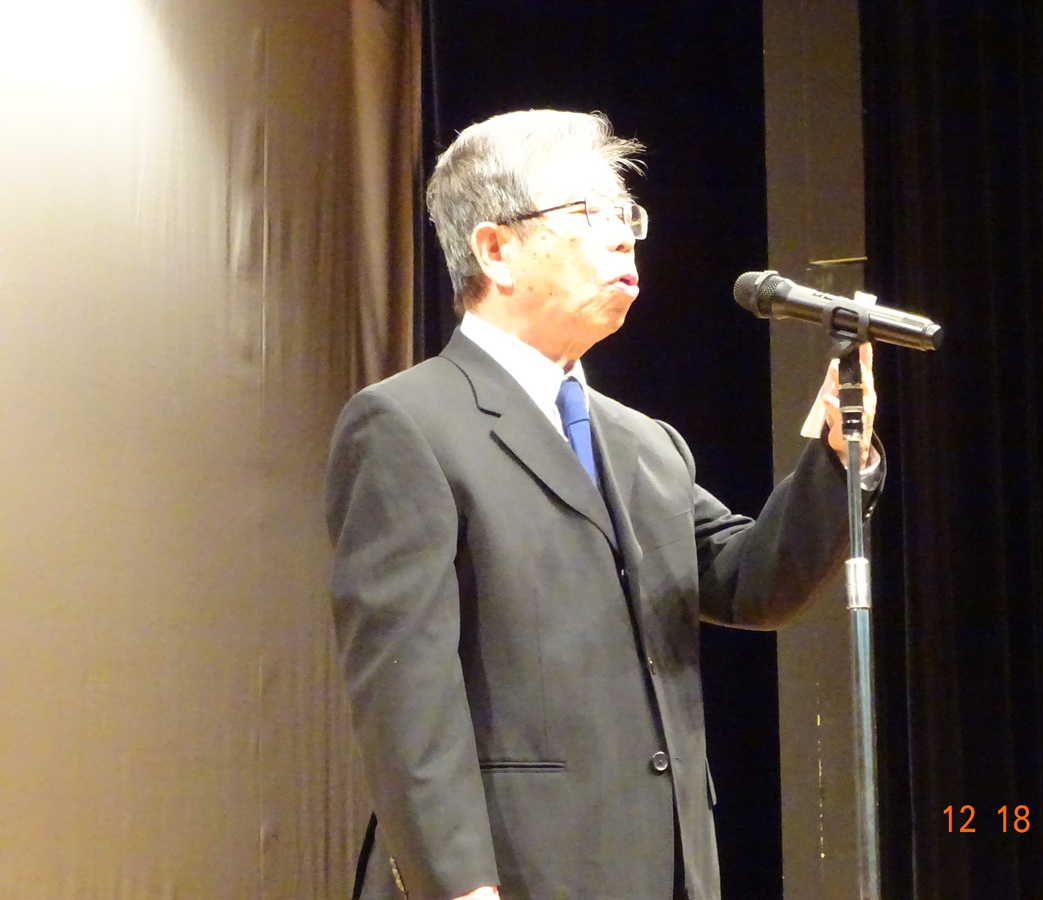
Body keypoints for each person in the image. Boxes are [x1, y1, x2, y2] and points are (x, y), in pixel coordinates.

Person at [325, 109, 880, 900]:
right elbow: (403, 690)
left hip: (663, 869)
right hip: (514, 872)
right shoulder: (406, 423)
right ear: (495, 250)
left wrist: (835, 458)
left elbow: (748, 581)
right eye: (589, 213)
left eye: (627, 215)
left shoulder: (641, 441)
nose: (623, 237)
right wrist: (460, 886)